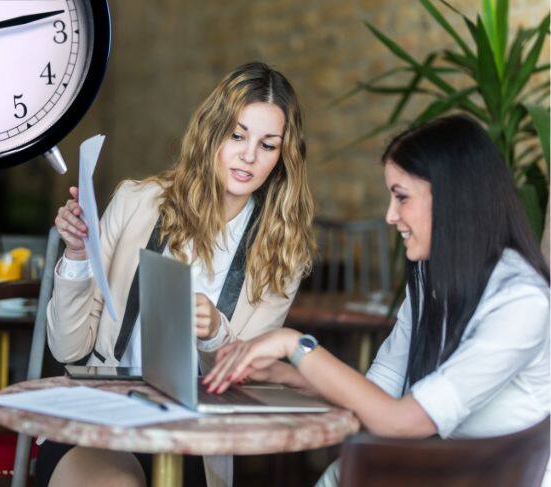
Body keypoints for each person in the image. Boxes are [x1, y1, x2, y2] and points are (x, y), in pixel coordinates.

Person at [204, 114, 551, 486]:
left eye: (401, 197)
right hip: (449, 469)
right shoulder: (433, 279)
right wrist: (281, 374)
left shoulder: (521, 302)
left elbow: (402, 421)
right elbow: (378, 394)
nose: (390, 215)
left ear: (453, 200)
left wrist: (295, 345)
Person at [36, 62, 315, 486]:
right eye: (237, 135)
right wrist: (77, 255)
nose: (249, 156)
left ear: (282, 156)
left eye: (268, 145)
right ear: (211, 132)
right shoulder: (136, 203)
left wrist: (216, 332)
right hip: (101, 417)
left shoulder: (282, 254)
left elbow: (246, 382)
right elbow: (67, 346)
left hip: (194, 437)